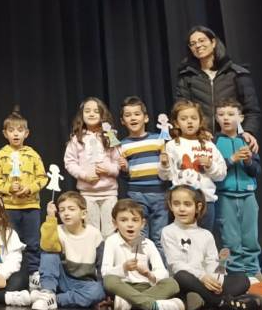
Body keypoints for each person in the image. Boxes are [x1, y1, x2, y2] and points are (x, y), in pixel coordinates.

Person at [161, 186, 255, 310]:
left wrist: (216, 282)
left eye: (187, 204)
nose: (181, 209)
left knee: (243, 279)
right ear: (170, 205)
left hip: (206, 282)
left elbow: (212, 262)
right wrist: (202, 277)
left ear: (198, 207)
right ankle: (221, 302)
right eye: (176, 204)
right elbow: (176, 264)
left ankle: (205, 300)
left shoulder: (206, 234)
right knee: (182, 276)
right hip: (189, 281)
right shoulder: (168, 231)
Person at [175, 26, 260, 152]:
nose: (198, 45)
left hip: (232, 140)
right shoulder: (187, 77)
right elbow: (181, 111)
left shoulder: (236, 73)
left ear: (213, 42)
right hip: (201, 141)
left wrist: (248, 131)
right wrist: (199, 132)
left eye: (202, 40)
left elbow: (252, 110)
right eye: (193, 44)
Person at [0, 108, 46, 287]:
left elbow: (42, 178)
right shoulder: (0, 156)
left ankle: (33, 273)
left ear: (26, 133)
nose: (16, 134)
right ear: (5, 133)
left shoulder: (32, 154)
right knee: (10, 242)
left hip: (31, 206)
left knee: (32, 242)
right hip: (9, 207)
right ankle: (13, 274)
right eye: (12, 131)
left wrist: (29, 189)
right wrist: (8, 188)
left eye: (20, 130)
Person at [101, 199, 184, 310]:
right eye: (124, 220)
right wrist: (123, 268)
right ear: (115, 223)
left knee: (172, 283)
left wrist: (148, 274)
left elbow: (162, 271)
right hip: (123, 288)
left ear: (142, 223)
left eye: (135, 220)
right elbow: (105, 272)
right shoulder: (111, 241)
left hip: (145, 287)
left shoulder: (148, 244)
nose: (130, 224)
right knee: (109, 280)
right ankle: (152, 305)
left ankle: (129, 304)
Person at [157, 100, 227, 234]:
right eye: (184, 119)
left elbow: (221, 174)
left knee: (205, 238)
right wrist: (164, 165)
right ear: (176, 123)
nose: (189, 122)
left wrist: (210, 165)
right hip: (182, 203)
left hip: (206, 201)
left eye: (194, 118)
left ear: (200, 121)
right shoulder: (172, 145)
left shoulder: (208, 145)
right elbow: (165, 176)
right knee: (183, 241)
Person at [214, 99, 262, 279]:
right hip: (225, 195)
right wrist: (231, 159)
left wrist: (249, 160)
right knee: (231, 239)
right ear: (216, 118)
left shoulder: (248, 140)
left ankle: (253, 272)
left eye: (231, 114)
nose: (226, 118)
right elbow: (213, 171)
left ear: (240, 117)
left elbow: (256, 170)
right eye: (221, 114)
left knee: (251, 238)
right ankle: (237, 275)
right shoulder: (214, 142)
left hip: (248, 194)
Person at [32, 192, 105, 310]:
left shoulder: (94, 234)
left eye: (71, 209)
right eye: (62, 210)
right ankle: (47, 292)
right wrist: (51, 217)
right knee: (49, 252)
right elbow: (47, 246)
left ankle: (54, 299)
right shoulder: (57, 230)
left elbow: (101, 264)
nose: (66, 213)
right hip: (62, 279)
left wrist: (103, 290)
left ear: (83, 213)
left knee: (97, 291)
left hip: (84, 283)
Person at [117, 96, 169, 255]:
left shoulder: (158, 140)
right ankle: (141, 269)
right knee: (140, 235)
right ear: (122, 121)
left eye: (137, 114)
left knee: (159, 236)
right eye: (128, 115)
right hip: (136, 194)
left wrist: (166, 161)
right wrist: (124, 170)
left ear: (145, 118)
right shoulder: (122, 145)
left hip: (160, 193)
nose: (133, 118)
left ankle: (161, 272)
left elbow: (168, 169)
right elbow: (124, 177)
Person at [63, 97, 121, 238]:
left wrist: (109, 170)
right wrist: (84, 175)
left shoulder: (110, 136)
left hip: (109, 193)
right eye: (87, 111)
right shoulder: (76, 139)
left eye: (96, 111)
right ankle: (94, 259)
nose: (91, 114)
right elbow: (69, 162)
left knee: (110, 231)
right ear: (81, 115)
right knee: (91, 231)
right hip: (87, 194)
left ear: (103, 115)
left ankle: (108, 259)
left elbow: (118, 161)